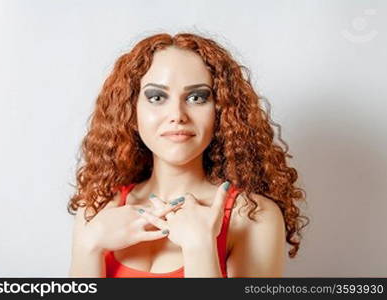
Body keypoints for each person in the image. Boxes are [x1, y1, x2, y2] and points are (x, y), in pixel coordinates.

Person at [67, 32, 309, 278]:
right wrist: (89, 247)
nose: (177, 115)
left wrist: (200, 248)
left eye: (196, 97)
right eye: (157, 97)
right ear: (131, 111)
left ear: (221, 113)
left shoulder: (252, 216)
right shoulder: (97, 206)